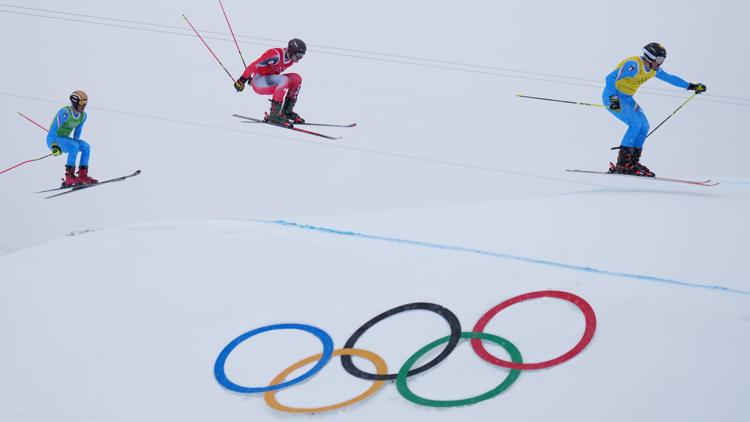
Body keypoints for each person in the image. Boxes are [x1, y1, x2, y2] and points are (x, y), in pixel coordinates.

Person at [603, 42, 706, 176]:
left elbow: (670, 78)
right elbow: (610, 78)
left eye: (662, 60)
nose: (661, 63)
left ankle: (632, 163)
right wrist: (613, 99)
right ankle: (623, 165)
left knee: (644, 126)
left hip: (627, 98)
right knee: (635, 124)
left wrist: (691, 86)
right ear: (650, 57)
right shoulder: (633, 65)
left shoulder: (653, 70)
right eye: (659, 59)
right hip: (613, 96)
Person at [233, 38, 307, 127]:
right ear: (292, 51)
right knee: (283, 80)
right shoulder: (275, 55)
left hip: (269, 81)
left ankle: (287, 112)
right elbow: (255, 65)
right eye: (298, 55)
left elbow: (272, 75)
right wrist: (242, 80)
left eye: (301, 56)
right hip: (259, 82)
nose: (299, 59)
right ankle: (274, 115)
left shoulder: (291, 61)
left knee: (296, 79)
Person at [47, 90, 98, 187]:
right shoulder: (65, 112)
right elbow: (53, 131)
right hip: (54, 139)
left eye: (86, 103)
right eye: (82, 103)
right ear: (75, 102)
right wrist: (54, 146)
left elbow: (77, 132)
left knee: (86, 147)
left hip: (65, 140)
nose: (84, 106)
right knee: (74, 146)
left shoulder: (83, 116)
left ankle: (82, 175)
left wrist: (76, 142)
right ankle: (69, 177)